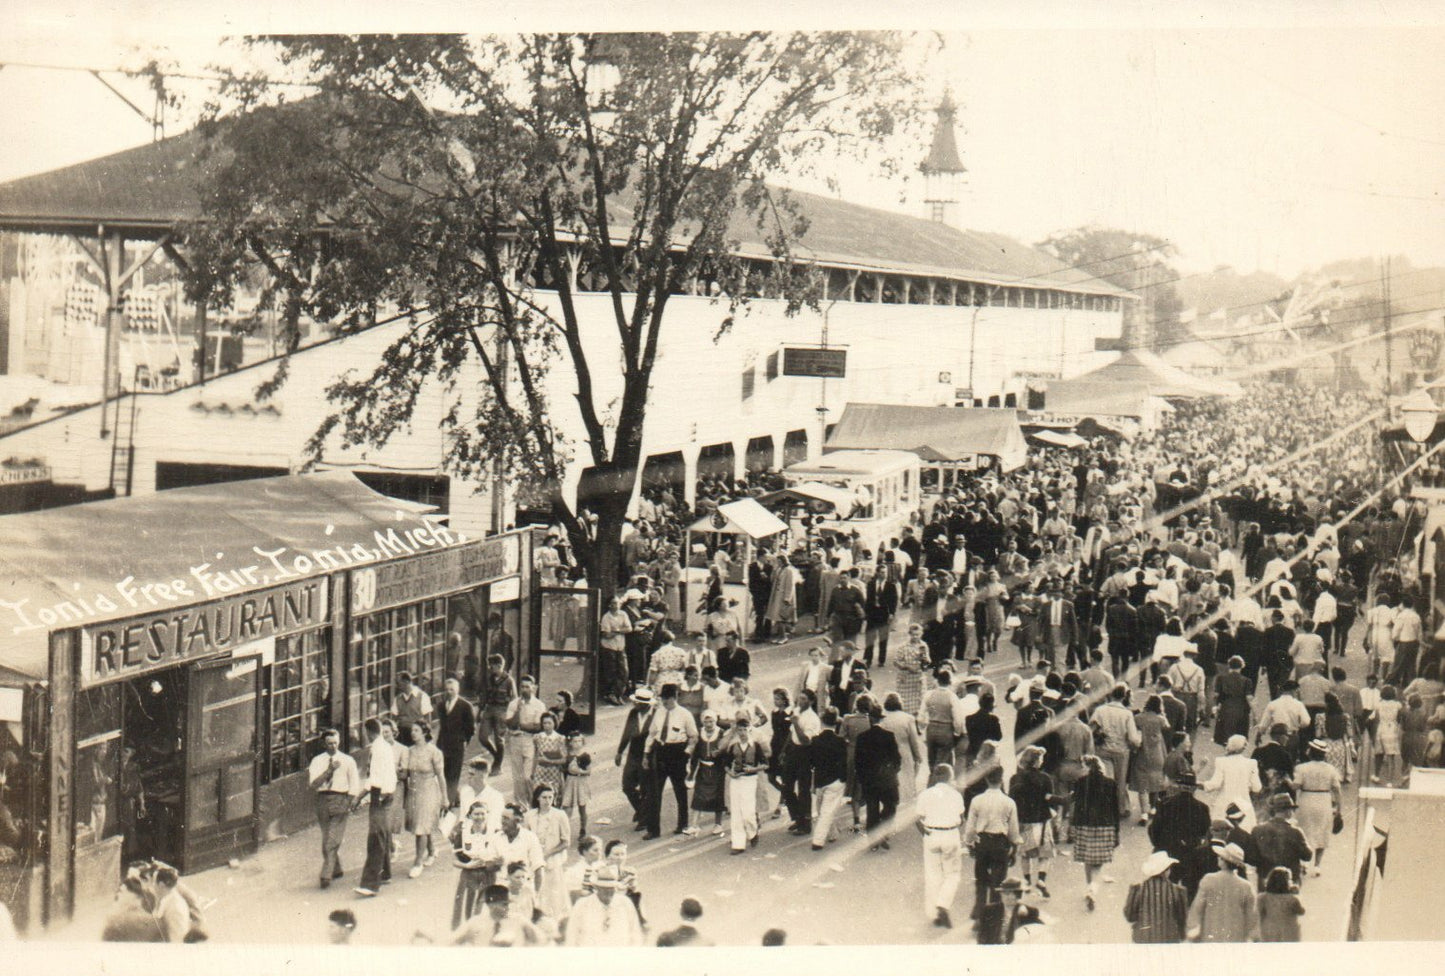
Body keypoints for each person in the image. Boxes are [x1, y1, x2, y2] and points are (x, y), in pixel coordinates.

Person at [964, 765, 1021, 923]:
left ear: (986, 779)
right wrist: (1014, 849)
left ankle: (979, 915)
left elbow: (970, 827)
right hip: (1000, 843)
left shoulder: (977, 800)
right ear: (1002, 780)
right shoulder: (1008, 802)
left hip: (982, 842)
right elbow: (1013, 830)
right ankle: (994, 917)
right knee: (998, 882)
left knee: (981, 880)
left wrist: (969, 844)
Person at [642, 683, 699, 839]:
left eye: (667, 700)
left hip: (677, 752)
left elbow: (693, 737)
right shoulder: (659, 713)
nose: (664, 703)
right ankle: (653, 830)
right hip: (661, 751)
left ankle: (682, 824)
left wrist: (686, 754)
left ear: (674, 698)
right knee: (654, 792)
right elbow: (652, 734)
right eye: (663, 699)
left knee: (680, 791)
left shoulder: (685, 715)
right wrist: (646, 754)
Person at [308, 729, 361, 889]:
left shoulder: (348, 760)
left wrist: (351, 801)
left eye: (336, 743)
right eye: (330, 743)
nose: (333, 746)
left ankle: (326, 874)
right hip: (322, 799)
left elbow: (354, 782)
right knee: (327, 837)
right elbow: (313, 784)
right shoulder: (317, 761)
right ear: (324, 743)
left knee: (332, 839)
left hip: (340, 798)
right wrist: (329, 771)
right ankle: (336, 868)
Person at [916, 762, 966, 928]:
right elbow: (962, 818)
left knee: (933, 875)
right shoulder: (956, 795)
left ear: (936, 776)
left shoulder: (925, 794)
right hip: (950, 834)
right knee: (952, 874)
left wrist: (925, 833)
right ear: (950, 777)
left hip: (931, 834)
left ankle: (934, 913)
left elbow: (917, 819)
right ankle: (943, 904)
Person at [1070, 755, 1120, 911]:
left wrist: (1072, 825)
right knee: (1098, 863)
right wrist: (1117, 831)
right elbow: (1115, 809)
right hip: (1105, 826)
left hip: (1084, 825)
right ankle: (1092, 887)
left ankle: (1089, 886)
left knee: (1087, 859)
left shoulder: (1080, 783)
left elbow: (1075, 806)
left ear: (1087, 767)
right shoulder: (1110, 784)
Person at [355, 717, 398, 897]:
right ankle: (385, 873)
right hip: (386, 793)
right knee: (384, 834)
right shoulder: (385, 747)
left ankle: (371, 884)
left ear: (368, 732)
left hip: (379, 794)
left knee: (375, 839)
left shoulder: (378, 749)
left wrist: (359, 797)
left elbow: (375, 778)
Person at [1009, 745, 1057, 898]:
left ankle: (1028, 881)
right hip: (1041, 821)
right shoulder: (1045, 778)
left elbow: (1012, 801)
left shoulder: (1015, 779)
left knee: (1025, 855)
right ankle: (1041, 879)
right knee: (1045, 854)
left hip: (1023, 821)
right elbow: (1050, 800)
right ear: (1037, 762)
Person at [1186, 842, 1258, 943]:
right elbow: (1252, 916)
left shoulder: (1208, 879)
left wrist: (1192, 930)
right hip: (1237, 935)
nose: (1218, 858)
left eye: (1220, 857)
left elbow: (1197, 907)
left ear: (1224, 861)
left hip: (1211, 932)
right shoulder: (1246, 886)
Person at [402, 718, 447, 878]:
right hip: (414, 791)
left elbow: (441, 776)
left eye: (416, 731)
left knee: (421, 827)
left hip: (429, 792)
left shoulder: (434, 752)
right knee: (421, 824)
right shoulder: (409, 751)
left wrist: (445, 798)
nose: (413, 733)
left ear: (424, 733)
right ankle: (433, 850)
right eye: (412, 730)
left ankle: (417, 862)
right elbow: (405, 773)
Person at [854, 703, 903, 850]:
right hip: (887, 780)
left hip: (870, 781)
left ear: (870, 719)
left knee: (872, 809)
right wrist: (893, 772)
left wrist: (862, 780)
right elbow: (897, 759)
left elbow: (858, 762)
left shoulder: (862, 737)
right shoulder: (889, 736)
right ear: (880, 719)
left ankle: (873, 842)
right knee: (891, 806)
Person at [723, 708, 770, 853]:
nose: (742, 733)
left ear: (749, 730)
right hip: (736, 780)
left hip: (750, 780)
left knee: (748, 812)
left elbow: (765, 764)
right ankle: (738, 844)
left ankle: (752, 832)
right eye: (740, 730)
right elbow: (725, 764)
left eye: (744, 730)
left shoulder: (755, 746)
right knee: (736, 812)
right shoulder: (733, 746)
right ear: (737, 731)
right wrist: (731, 774)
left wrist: (753, 769)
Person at [1294, 739, 1343, 876]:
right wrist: (1339, 809)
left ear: (1311, 752)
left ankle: (1303, 863)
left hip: (1306, 799)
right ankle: (1317, 866)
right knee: (1322, 831)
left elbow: (1296, 786)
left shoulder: (1301, 768)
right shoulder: (1331, 769)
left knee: (1304, 831)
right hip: (1324, 800)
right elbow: (1337, 790)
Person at [450, 799, 501, 929]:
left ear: (488, 814)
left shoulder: (495, 833)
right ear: (470, 815)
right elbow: (454, 860)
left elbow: (501, 858)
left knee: (488, 905)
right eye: (476, 814)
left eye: (483, 814)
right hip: (469, 871)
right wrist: (467, 866)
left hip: (488, 872)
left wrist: (489, 862)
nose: (479, 817)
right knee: (466, 905)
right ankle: (464, 932)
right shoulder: (463, 834)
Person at [524, 783, 572, 922]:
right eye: (544, 797)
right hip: (534, 862)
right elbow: (526, 837)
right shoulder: (529, 816)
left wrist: (548, 853)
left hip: (553, 861)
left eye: (550, 797)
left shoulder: (560, 815)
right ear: (537, 798)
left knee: (555, 895)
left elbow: (566, 841)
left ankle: (556, 922)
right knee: (537, 893)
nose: (547, 801)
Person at [1092, 684, 1141, 818]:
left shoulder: (1100, 710)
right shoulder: (1127, 713)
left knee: (1105, 778)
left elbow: (1092, 728)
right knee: (1120, 781)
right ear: (1124, 697)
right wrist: (1137, 744)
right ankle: (1120, 809)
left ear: (1111, 694)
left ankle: (1103, 808)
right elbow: (1133, 738)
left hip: (1103, 749)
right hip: (1121, 750)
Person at [1123, 850, 1188, 944]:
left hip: (1143, 939)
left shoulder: (1137, 888)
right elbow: (1182, 919)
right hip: (1169, 939)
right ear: (1166, 870)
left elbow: (1130, 916)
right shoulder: (1178, 891)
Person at [1251, 792, 1313, 890]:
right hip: (1289, 880)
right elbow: (1307, 855)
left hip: (1265, 878)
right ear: (1288, 811)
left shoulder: (1257, 830)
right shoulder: (1295, 831)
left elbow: (1251, 858)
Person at [1201, 735, 1264, 830]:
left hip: (1224, 801)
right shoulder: (1251, 763)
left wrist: (1201, 784)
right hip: (1243, 802)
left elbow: (1215, 784)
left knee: (1220, 829)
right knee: (1244, 830)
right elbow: (1257, 788)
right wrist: (1248, 786)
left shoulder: (1221, 761)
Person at [616, 688, 657, 829]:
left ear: (647, 705)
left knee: (646, 787)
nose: (635, 705)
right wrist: (620, 751)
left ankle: (644, 818)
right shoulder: (633, 713)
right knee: (627, 786)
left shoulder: (656, 716)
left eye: (638, 703)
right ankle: (641, 810)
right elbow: (627, 733)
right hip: (633, 754)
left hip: (648, 755)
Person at [1148, 772, 1211, 864]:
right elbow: (1204, 832)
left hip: (1165, 853)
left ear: (1179, 786)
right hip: (1189, 855)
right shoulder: (1203, 808)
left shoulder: (1165, 803)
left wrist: (1159, 846)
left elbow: (1153, 829)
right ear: (1194, 788)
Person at [809, 707, 849, 850]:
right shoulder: (841, 741)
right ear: (836, 723)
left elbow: (812, 762)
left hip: (820, 780)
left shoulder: (815, 740)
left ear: (822, 721)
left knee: (823, 810)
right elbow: (844, 762)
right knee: (827, 811)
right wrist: (844, 779)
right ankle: (821, 839)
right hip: (836, 780)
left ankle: (821, 839)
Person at [433, 676, 476, 809]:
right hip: (443, 745)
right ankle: (452, 797)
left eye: (452, 689)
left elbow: (470, 728)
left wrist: (464, 740)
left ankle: (449, 804)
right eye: (447, 690)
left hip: (457, 744)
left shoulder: (465, 706)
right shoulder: (441, 706)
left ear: (457, 690)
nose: (449, 692)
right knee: (443, 772)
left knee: (454, 773)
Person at [565, 876, 645, 947]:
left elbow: (636, 934)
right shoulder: (582, 905)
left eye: (611, 888)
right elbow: (571, 935)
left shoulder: (625, 903)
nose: (608, 892)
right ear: (597, 888)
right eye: (604, 888)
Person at [504, 676, 548, 805]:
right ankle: (520, 804)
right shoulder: (514, 704)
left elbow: (537, 727)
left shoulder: (539, 705)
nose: (524, 690)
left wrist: (521, 726)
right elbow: (510, 724)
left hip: (530, 741)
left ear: (534, 688)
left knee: (527, 776)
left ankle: (532, 801)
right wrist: (518, 710)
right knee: (517, 776)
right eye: (522, 687)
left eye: (527, 687)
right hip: (515, 740)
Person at [1131, 695, 1170, 826]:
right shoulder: (1160, 719)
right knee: (1156, 780)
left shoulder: (1139, 718)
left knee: (1143, 783)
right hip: (1158, 753)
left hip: (1143, 753)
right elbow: (1167, 727)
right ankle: (1153, 808)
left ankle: (1144, 813)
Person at [688, 711, 728, 837]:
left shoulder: (721, 733)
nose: (709, 724)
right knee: (698, 796)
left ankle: (718, 824)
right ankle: (694, 825)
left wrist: (719, 755)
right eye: (706, 721)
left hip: (717, 769)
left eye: (711, 721)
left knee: (718, 797)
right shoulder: (700, 733)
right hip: (703, 769)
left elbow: (726, 751)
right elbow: (695, 754)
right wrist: (691, 773)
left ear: (715, 721)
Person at [1214, 656, 1254, 747]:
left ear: (1229, 666)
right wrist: (1255, 715)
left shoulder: (1221, 678)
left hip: (1225, 710)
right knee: (1238, 740)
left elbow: (1216, 695)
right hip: (1241, 712)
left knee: (1225, 739)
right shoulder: (1247, 681)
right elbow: (1249, 698)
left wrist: (1216, 708)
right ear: (1242, 666)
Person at [1257, 866, 1305, 942]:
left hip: (1269, 931)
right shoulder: (1292, 899)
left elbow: (1258, 913)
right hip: (1289, 932)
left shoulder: (1262, 897)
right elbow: (1301, 911)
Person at [893, 624, 929, 715]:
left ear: (921, 634)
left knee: (919, 704)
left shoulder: (923, 645)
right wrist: (907, 667)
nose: (916, 637)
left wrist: (926, 661)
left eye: (918, 634)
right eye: (913, 634)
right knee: (905, 705)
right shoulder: (903, 647)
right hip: (906, 680)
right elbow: (896, 661)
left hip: (918, 679)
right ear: (909, 634)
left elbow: (927, 660)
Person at [561, 732, 593, 835]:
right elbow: (563, 769)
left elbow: (588, 771)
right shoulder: (568, 755)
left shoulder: (585, 756)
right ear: (570, 743)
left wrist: (579, 771)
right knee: (567, 806)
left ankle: (583, 829)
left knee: (582, 807)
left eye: (579, 741)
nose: (577, 743)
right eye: (575, 741)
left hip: (581, 782)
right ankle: (565, 830)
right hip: (570, 781)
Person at [531, 711, 567, 799]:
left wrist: (549, 760)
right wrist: (532, 772)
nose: (547, 726)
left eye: (549, 723)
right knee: (538, 795)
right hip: (540, 772)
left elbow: (564, 759)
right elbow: (535, 756)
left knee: (552, 796)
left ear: (555, 723)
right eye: (544, 723)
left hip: (554, 772)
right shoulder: (538, 737)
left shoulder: (560, 739)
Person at [1374, 684, 1405, 786]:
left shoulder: (1379, 704)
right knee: (1390, 756)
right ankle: (1390, 781)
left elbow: (1377, 718)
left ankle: (1376, 775)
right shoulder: (1397, 705)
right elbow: (1400, 718)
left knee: (1379, 753)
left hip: (1381, 728)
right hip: (1392, 729)